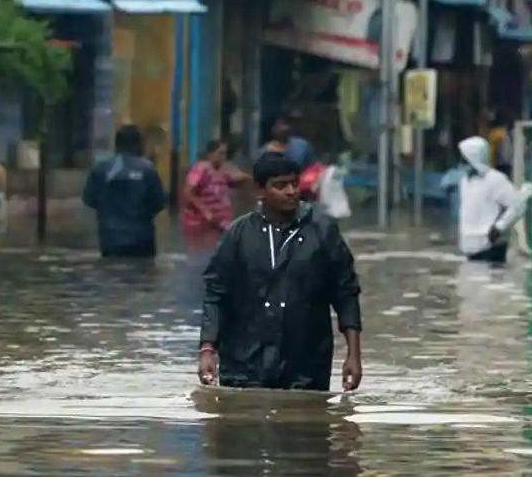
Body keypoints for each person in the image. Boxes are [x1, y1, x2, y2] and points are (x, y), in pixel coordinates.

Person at [198, 152, 363, 392]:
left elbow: (346, 292)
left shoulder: (322, 232)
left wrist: (353, 355)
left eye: (294, 184)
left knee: (303, 424)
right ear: (260, 191)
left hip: (305, 364)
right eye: (280, 185)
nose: (291, 191)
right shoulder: (238, 235)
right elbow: (215, 294)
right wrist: (207, 350)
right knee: (237, 424)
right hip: (245, 363)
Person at [82, 125, 167, 258]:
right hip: (141, 238)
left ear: (116, 144)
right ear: (139, 144)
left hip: (110, 238)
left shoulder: (100, 169)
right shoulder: (148, 169)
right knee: (142, 273)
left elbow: (89, 200)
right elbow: (159, 204)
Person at [456, 136, 528, 265]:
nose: (461, 162)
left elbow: (519, 205)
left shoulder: (495, 180)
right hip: (470, 250)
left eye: (464, 159)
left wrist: (499, 227)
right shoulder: (464, 181)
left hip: (490, 248)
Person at [181, 140, 250, 251]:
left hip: (220, 222)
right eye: (220, 153)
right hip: (202, 221)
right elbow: (188, 192)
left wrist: (236, 171)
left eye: (225, 154)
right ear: (210, 154)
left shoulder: (223, 170)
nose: (223, 157)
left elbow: (239, 180)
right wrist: (205, 211)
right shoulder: (201, 168)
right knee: (202, 254)